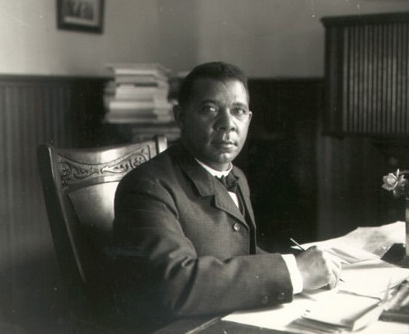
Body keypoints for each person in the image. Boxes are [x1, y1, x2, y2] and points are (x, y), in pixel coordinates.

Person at [109, 61, 341, 328]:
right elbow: (172, 283)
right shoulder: (148, 185)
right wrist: (293, 273)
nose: (227, 124)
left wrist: (301, 265)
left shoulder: (237, 176)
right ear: (181, 117)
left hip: (231, 320)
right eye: (209, 109)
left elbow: (242, 252)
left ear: (249, 120)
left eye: (238, 111)